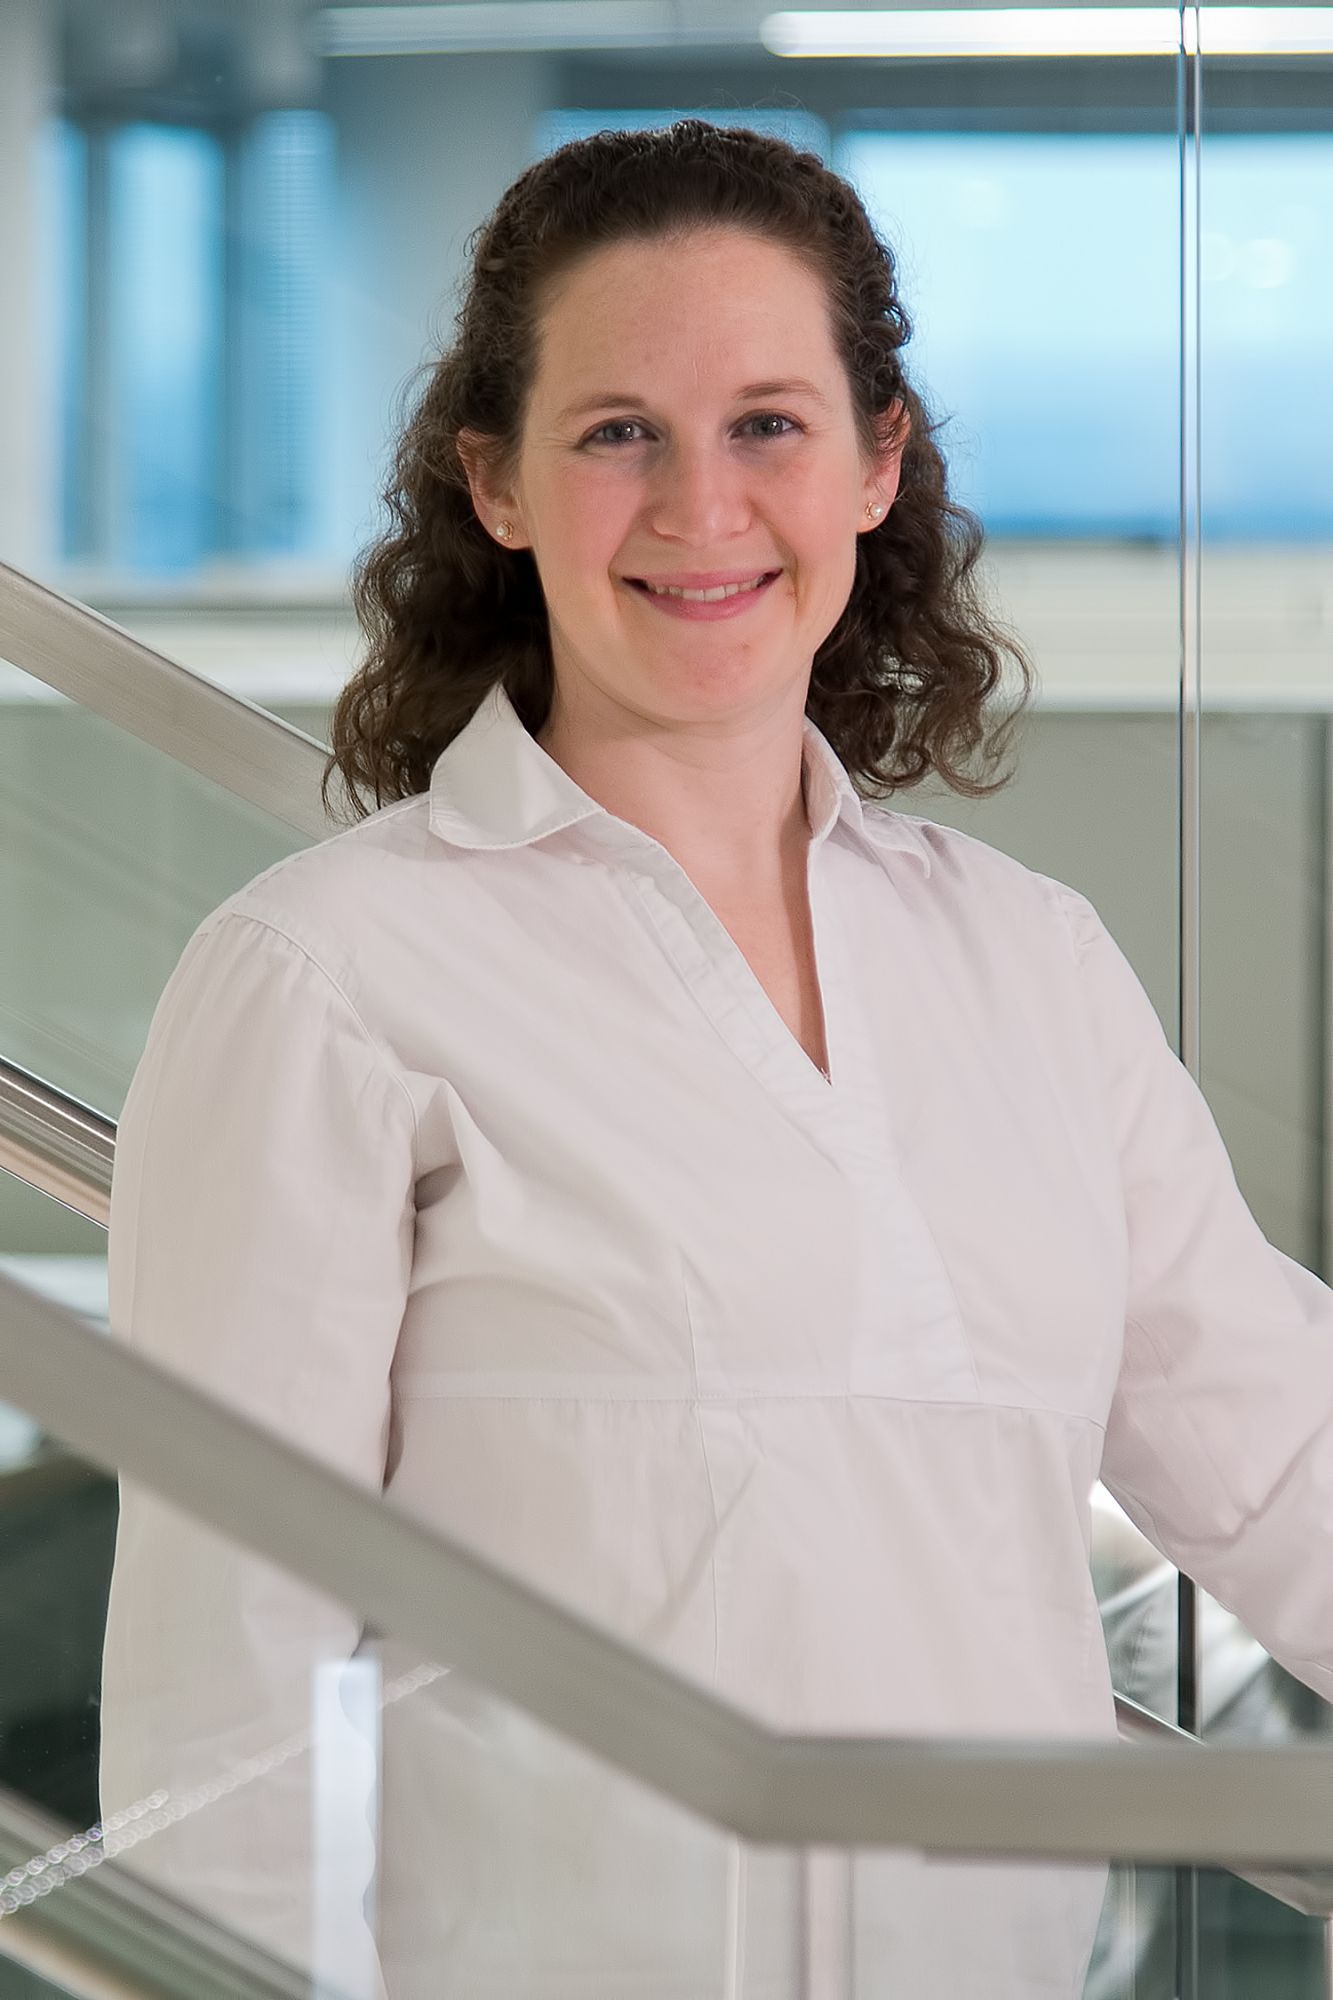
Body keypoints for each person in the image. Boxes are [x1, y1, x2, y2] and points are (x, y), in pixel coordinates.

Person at [99, 119, 1333, 1998]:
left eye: (768, 423)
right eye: (618, 434)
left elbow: (1274, 1453)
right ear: (494, 484)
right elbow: (223, 1670)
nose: (700, 509)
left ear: (874, 465)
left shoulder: (1027, 963)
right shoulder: (331, 976)